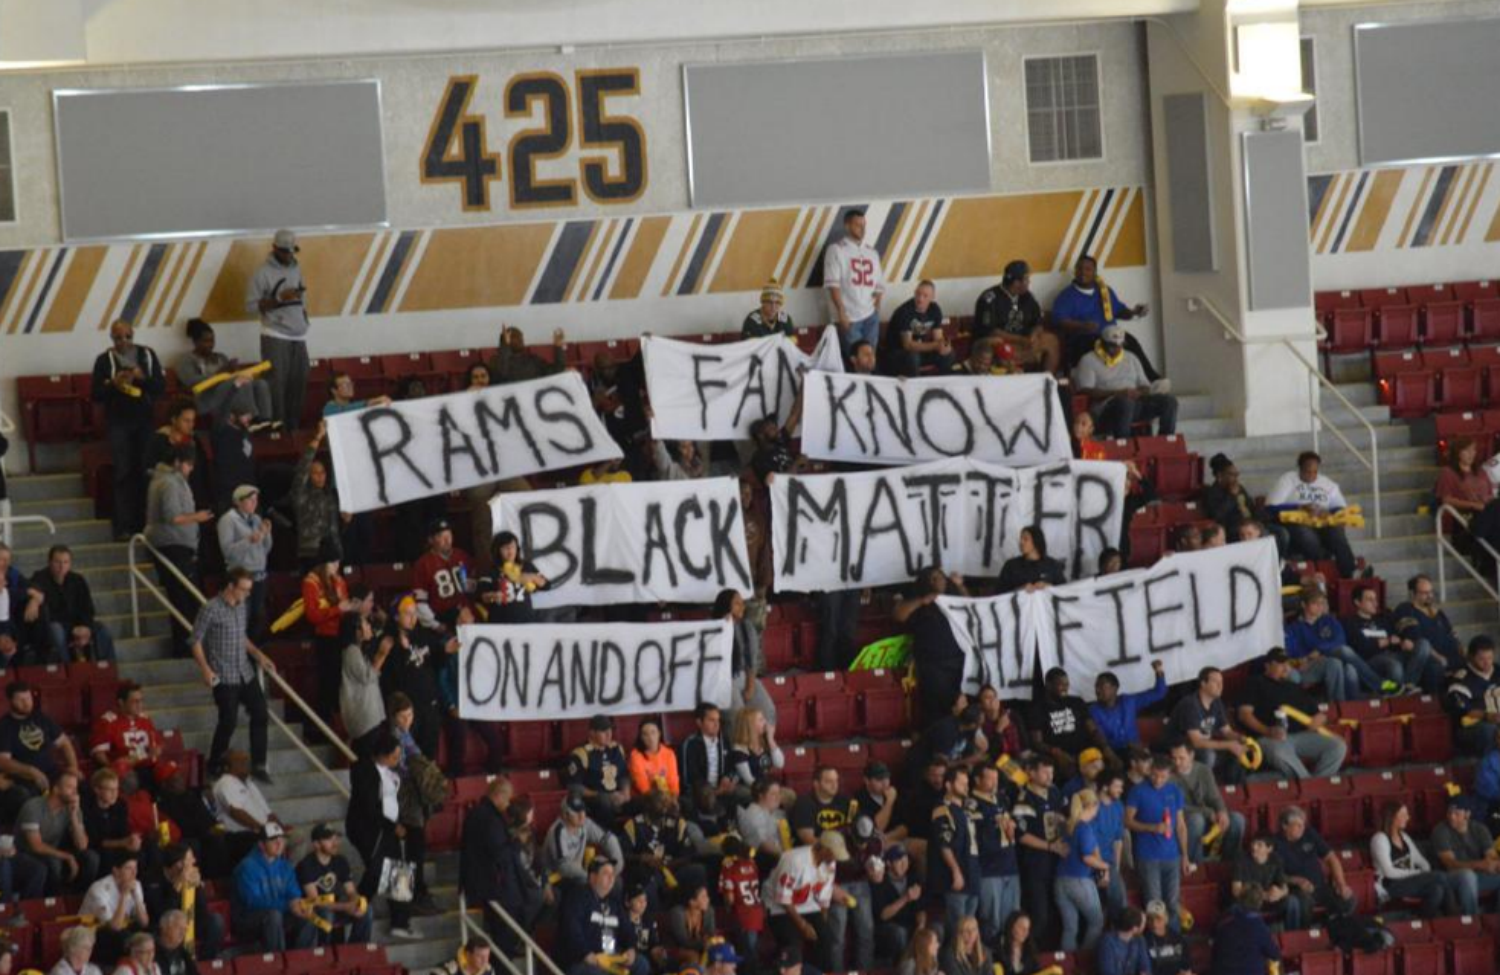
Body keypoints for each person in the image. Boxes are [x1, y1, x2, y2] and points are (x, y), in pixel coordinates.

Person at [190, 569, 272, 779]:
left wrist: (258, 654)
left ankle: (259, 764)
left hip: (244, 670)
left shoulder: (242, 606)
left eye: (249, 590)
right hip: (224, 674)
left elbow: (240, 636)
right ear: (230, 586)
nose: (247, 594)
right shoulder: (210, 608)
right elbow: (195, 640)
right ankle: (215, 763)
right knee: (228, 720)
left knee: (260, 712)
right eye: (243, 589)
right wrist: (206, 669)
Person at [93, 320, 167, 540]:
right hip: (118, 422)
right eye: (118, 338)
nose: (123, 341)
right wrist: (113, 384)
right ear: (111, 338)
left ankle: (147, 523)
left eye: (127, 336)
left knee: (147, 470)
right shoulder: (104, 360)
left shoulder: (147, 355)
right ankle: (124, 526)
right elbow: (95, 394)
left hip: (145, 421)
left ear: (133, 335)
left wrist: (141, 379)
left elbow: (160, 388)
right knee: (123, 472)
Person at [1235, 649, 1348, 779]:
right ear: (1267, 665)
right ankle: (1310, 786)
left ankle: (1315, 784)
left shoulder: (1293, 686)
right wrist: (1267, 731)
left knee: (1338, 746)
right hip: (1271, 738)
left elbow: (1319, 714)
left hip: (1301, 735)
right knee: (1278, 751)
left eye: (1287, 664)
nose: (1285, 667)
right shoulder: (1255, 682)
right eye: (1280, 664)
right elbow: (1244, 715)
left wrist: (1320, 719)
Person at [145, 445, 211, 658]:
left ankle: (186, 646)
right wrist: (197, 517)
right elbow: (172, 516)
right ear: (177, 462)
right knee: (184, 599)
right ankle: (186, 647)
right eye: (188, 464)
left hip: (174, 544)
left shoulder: (165, 481)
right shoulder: (169, 483)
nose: (191, 469)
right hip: (173, 544)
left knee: (182, 598)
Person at [245, 230, 312, 426]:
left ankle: (293, 432)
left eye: (291, 251)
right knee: (276, 387)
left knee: (298, 384)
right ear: (274, 248)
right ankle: (278, 432)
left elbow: (302, 298)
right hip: (275, 335)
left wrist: (304, 317)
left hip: (299, 336)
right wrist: (280, 298)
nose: (288, 255)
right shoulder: (262, 273)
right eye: (284, 251)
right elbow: (250, 307)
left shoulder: (296, 269)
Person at [1286, 586, 1398, 699]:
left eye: (1322, 603)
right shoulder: (1293, 628)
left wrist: (1320, 650)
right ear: (1304, 605)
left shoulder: (1330, 620)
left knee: (1342, 659)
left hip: (1331, 657)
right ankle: (1379, 685)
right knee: (1339, 659)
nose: (1320, 607)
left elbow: (1340, 640)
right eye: (1315, 603)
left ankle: (1345, 703)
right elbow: (1292, 651)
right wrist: (1308, 657)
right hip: (1311, 664)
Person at [1052, 255, 1158, 375]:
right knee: (1099, 345)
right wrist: (1082, 325)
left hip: (1111, 334)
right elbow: (1058, 320)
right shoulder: (1066, 295)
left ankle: (1153, 378)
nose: (1083, 272)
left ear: (1095, 273)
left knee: (1131, 341)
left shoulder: (1105, 291)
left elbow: (1119, 311)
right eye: (1079, 268)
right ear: (1075, 271)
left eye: (1088, 269)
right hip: (1085, 337)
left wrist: (1134, 312)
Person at [1072, 324, 1177, 439]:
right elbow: (1086, 390)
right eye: (1112, 345)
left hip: (1135, 403)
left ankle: (1166, 440)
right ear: (1102, 343)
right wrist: (1118, 393)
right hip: (1107, 407)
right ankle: (1123, 443)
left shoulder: (1131, 358)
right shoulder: (1088, 360)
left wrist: (1142, 391)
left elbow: (1144, 384)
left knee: (1169, 401)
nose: (1117, 349)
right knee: (1125, 403)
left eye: (1120, 345)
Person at [893, 567, 970, 723]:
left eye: (941, 576)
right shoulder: (919, 600)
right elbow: (898, 615)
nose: (939, 580)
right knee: (937, 709)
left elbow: (971, 607)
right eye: (933, 578)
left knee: (961, 706)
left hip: (957, 660)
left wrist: (960, 586)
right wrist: (923, 601)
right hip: (932, 665)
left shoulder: (953, 595)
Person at [1125, 756, 1192, 933]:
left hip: (1172, 855)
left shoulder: (1175, 791)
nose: (1158, 780)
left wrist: (1185, 855)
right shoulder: (1137, 791)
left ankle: (1173, 938)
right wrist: (1152, 827)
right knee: (1154, 904)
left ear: (1170, 775)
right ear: (1149, 771)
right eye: (1154, 775)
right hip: (1147, 856)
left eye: (1163, 776)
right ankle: (1156, 940)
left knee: (1173, 902)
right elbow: (1127, 821)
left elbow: (1181, 825)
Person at [764, 832, 847, 973]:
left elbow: (824, 897)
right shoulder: (793, 860)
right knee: (793, 943)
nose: (835, 859)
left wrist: (822, 923)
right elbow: (784, 899)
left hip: (808, 904)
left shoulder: (830, 863)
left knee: (826, 939)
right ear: (823, 849)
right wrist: (803, 925)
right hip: (779, 907)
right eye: (833, 854)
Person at [1266, 451, 1358, 578]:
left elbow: (1340, 507)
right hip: (1297, 521)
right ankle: (1326, 565)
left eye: (1314, 472)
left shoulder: (1328, 484)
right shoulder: (1288, 479)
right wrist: (1299, 507)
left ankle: (1350, 573)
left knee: (1337, 532)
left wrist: (1328, 512)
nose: (1311, 475)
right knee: (1306, 535)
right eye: (1307, 472)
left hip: (1322, 520)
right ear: (1300, 468)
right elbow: (1271, 507)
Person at [231, 822, 316, 951]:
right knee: (273, 915)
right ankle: (277, 960)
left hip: (278, 916)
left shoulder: (285, 866)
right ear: (261, 845)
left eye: (282, 839)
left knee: (307, 913)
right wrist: (288, 905)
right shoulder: (247, 867)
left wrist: (297, 903)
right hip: (248, 920)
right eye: (273, 840)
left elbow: (294, 894)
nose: (279, 843)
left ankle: (303, 959)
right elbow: (253, 901)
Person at [1343, 583, 1443, 693]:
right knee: (1394, 665)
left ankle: (1407, 685)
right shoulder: (1350, 623)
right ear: (1357, 602)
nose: (1375, 603)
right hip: (1372, 661)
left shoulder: (1383, 619)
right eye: (1370, 600)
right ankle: (1400, 692)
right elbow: (1361, 648)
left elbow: (1396, 639)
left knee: (1423, 644)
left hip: (1394, 654)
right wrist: (1387, 641)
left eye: (1375, 599)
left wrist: (1403, 642)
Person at [559, 856, 648, 975]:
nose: (611, 878)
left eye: (613, 874)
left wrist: (631, 948)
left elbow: (627, 930)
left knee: (641, 964)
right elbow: (572, 930)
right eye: (606, 874)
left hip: (611, 958)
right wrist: (585, 954)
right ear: (593, 877)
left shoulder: (614, 903)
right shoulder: (577, 898)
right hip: (583, 961)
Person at [177, 318, 272, 426]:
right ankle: (252, 418)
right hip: (206, 398)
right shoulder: (187, 360)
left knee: (260, 384)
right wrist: (219, 373)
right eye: (206, 341)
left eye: (212, 340)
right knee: (240, 381)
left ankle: (265, 421)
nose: (210, 345)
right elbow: (191, 382)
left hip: (229, 394)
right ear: (195, 342)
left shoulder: (221, 357)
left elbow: (230, 377)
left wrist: (234, 370)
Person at [1012, 754, 1065, 944]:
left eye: (1052, 772)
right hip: (1035, 864)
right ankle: (1031, 951)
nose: (1050, 777)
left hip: (1056, 863)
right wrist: (1050, 846)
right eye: (1045, 772)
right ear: (1031, 773)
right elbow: (1021, 835)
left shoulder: (1055, 792)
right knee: (1040, 915)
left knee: (1057, 914)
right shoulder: (1024, 798)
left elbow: (1064, 819)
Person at [1272, 805, 1357, 921]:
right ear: (1284, 826)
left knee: (1348, 899)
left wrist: (1341, 884)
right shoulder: (1275, 844)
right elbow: (1274, 875)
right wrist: (1296, 880)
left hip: (1320, 886)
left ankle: (1333, 926)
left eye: (1303, 824)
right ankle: (1307, 931)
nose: (1302, 828)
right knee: (1304, 901)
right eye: (1298, 825)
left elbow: (1331, 858)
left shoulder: (1309, 833)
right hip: (1296, 891)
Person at [1028, 667, 1115, 779]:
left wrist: (1106, 748)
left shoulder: (1076, 702)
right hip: (1058, 755)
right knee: (1068, 768)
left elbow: (1093, 730)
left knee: (1103, 766)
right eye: (1061, 685)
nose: (1065, 688)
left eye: (1067, 684)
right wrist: (1057, 753)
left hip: (1085, 752)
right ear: (1048, 685)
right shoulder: (1038, 709)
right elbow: (1037, 742)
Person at [1370, 801, 1453, 917]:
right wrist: (1418, 873)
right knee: (1440, 876)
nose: (1408, 818)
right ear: (1392, 817)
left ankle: (1423, 920)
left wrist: (1425, 874)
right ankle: (1455, 915)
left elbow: (1422, 862)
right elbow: (1389, 872)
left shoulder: (1404, 836)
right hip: (1390, 886)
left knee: (1437, 889)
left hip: (1410, 882)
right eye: (1403, 815)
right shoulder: (1379, 839)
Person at [973, 260, 1058, 373]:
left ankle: (1047, 379)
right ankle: (1012, 373)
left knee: (1051, 340)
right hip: (1000, 342)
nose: (1029, 282)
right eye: (1026, 279)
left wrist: (1034, 334)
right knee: (998, 343)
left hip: (1024, 341)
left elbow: (1038, 322)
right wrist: (1021, 340)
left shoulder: (1028, 296)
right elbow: (991, 332)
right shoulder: (989, 298)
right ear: (1016, 283)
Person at [18, 771, 96, 893]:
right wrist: (67, 856)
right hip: (27, 854)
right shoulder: (33, 807)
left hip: (52, 852)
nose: (75, 792)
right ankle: (53, 900)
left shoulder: (73, 808)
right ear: (56, 789)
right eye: (70, 787)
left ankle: (79, 898)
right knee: (53, 862)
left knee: (91, 858)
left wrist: (74, 817)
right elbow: (36, 846)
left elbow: (82, 845)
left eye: (75, 788)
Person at [1167, 739, 1244, 863]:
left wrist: (1221, 811)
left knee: (1237, 819)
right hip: (1184, 820)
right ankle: (1196, 864)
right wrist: (1208, 813)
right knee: (1197, 820)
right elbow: (1178, 807)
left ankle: (1228, 863)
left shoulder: (1204, 770)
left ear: (1191, 755)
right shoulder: (1168, 776)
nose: (1177, 763)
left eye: (1181, 758)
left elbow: (1215, 797)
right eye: (1173, 758)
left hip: (1208, 815)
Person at [295, 824, 372, 945]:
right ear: (316, 844)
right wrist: (346, 906)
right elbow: (316, 901)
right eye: (329, 839)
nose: (335, 843)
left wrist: (356, 902)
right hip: (312, 911)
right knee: (326, 914)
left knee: (366, 909)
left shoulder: (340, 861)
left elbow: (351, 891)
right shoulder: (306, 865)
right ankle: (323, 951)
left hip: (335, 906)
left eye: (336, 838)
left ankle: (357, 949)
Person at [0, 680, 80, 796]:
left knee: (82, 787)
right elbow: (3, 762)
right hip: (24, 778)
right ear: (10, 701)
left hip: (51, 771)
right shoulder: (4, 726)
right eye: (21, 700)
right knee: (26, 794)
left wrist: (73, 768)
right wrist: (31, 771)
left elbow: (64, 743)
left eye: (28, 698)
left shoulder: (40, 717)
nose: (26, 703)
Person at [1168, 667, 1248, 781]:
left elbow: (1227, 732)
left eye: (1221, 682)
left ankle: (1230, 788)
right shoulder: (1190, 704)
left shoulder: (1217, 702)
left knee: (1239, 751)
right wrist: (1229, 745)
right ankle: (1203, 786)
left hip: (1201, 746)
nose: (1220, 686)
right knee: (1208, 755)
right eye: (1215, 682)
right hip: (1180, 748)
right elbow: (1196, 742)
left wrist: (1241, 738)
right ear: (1203, 684)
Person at [823, 208, 885, 355]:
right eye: (857, 225)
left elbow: (879, 285)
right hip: (849, 317)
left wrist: (876, 309)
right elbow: (833, 285)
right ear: (847, 226)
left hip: (870, 315)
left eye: (863, 225)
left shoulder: (872, 252)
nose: (862, 229)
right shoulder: (836, 249)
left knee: (870, 358)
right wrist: (841, 313)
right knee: (854, 357)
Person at [1201, 454, 1289, 555]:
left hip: (1252, 523)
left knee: (1282, 533)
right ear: (1219, 476)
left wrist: (1260, 516)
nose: (1236, 478)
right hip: (1235, 528)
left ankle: (1278, 561)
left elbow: (1250, 507)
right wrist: (1231, 496)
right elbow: (1218, 516)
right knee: (1266, 535)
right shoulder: (1212, 493)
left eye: (1237, 474)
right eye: (1232, 475)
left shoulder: (1239, 488)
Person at [928, 765, 980, 936]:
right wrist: (956, 871)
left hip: (972, 877)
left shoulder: (967, 810)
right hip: (955, 881)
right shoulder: (943, 809)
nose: (966, 787)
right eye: (961, 783)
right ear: (948, 785)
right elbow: (944, 844)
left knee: (970, 931)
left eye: (967, 783)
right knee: (958, 932)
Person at [1054, 789, 1107, 952]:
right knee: (1096, 922)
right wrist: (1105, 866)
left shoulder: (1068, 825)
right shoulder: (1084, 828)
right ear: (1092, 806)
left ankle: (1068, 963)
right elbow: (1087, 857)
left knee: (1070, 927)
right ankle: (1084, 959)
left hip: (1060, 880)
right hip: (1079, 880)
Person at [216, 488, 272, 642]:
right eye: (250, 499)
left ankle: (253, 651)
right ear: (238, 502)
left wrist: (266, 534)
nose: (254, 503)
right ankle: (239, 650)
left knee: (258, 617)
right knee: (242, 617)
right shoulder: (227, 520)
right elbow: (227, 551)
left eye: (256, 499)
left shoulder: (257, 519)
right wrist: (248, 540)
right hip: (240, 576)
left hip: (259, 575)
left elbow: (265, 550)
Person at [1429, 796, 1500, 916]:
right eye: (1449, 812)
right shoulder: (1440, 831)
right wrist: (1481, 864)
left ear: (1467, 814)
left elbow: (1491, 856)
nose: (1451, 817)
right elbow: (1450, 864)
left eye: (1456, 813)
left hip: (1478, 876)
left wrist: (1495, 864)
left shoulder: (1480, 829)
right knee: (1467, 875)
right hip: (1450, 878)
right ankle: (1472, 920)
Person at [542, 790, 625, 887]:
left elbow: (608, 839)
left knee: (616, 881)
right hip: (556, 878)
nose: (582, 815)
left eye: (583, 810)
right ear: (565, 814)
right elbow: (564, 867)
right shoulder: (557, 831)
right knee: (588, 883)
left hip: (578, 873)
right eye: (576, 812)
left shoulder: (585, 823)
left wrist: (616, 866)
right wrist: (591, 877)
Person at [81, 852, 149, 964]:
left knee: (146, 935)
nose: (134, 873)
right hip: (92, 933)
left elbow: (144, 922)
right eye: (129, 868)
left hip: (118, 931)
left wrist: (136, 897)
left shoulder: (136, 885)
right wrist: (124, 895)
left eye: (135, 868)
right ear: (116, 871)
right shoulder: (98, 889)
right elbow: (114, 927)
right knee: (123, 937)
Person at [292, 424, 342, 569]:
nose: (320, 476)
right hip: (311, 553)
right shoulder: (301, 493)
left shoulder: (330, 495)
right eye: (315, 473)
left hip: (332, 552)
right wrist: (318, 437)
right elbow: (303, 468)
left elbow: (334, 529)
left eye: (323, 472)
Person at [338, 612, 389, 755]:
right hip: (364, 717)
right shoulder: (352, 651)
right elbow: (366, 676)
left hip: (370, 715)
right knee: (366, 756)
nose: (369, 626)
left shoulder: (359, 650)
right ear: (357, 630)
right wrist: (382, 655)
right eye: (365, 623)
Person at [1435, 436, 1500, 547]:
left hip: (1488, 512)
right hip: (1468, 517)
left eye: (1473, 450)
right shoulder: (1448, 473)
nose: (1471, 454)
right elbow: (1446, 500)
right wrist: (1473, 505)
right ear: (1458, 452)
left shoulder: (1481, 471)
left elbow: (1490, 495)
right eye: (1467, 450)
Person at [1090, 661, 1168, 751]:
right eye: (1096, 687)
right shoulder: (1094, 711)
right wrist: (1128, 745)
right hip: (1113, 754)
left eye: (1101, 687)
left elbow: (1159, 693)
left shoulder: (1128, 702)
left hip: (1137, 751)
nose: (1097, 690)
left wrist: (1159, 671)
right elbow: (1101, 740)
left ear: (1114, 688)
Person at [880, 281, 951, 377]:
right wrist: (935, 346)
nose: (920, 299)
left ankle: (941, 383)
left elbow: (938, 338)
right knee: (913, 357)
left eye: (925, 296)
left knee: (948, 354)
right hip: (896, 353)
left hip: (919, 351)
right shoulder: (904, 311)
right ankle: (916, 385)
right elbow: (908, 345)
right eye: (918, 294)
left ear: (932, 297)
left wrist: (944, 345)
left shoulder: (935, 309)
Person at [414, 518, 476, 630]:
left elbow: (473, 588)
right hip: (441, 614)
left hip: (465, 612)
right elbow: (420, 602)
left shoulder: (462, 556)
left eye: (449, 535)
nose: (447, 540)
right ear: (431, 540)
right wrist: (435, 624)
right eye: (441, 536)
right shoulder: (423, 564)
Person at [567, 714, 631, 821]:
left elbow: (624, 775)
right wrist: (600, 795)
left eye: (610, 730)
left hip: (618, 796)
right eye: (604, 731)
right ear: (592, 733)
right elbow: (574, 786)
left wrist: (626, 792)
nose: (609, 734)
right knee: (604, 801)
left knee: (643, 802)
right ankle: (611, 831)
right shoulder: (581, 754)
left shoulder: (616, 749)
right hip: (595, 798)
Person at [1395, 574, 1464, 673]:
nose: (1430, 596)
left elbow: (1451, 633)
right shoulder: (1406, 610)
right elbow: (1418, 643)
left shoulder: (1437, 612)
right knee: (1435, 668)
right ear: (1413, 594)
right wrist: (1440, 658)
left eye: (1431, 592)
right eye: (1425, 593)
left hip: (1451, 659)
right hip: (1430, 660)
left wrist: (1460, 649)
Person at [89, 683, 163, 773]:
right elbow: (99, 753)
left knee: (171, 774)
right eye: (135, 701)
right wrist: (113, 769)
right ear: (121, 702)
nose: (140, 705)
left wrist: (155, 751)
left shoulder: (145, 719)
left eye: (141, 701)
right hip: (125, 769)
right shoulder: (108, 722)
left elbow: (157, 745)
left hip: (147, 766)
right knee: (128, 776)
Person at [478, 531, 548, 624]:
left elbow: (546, 585)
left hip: (526, 621)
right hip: (499, 623)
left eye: (513, 546)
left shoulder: (526, 566)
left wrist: (532, 577)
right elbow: (480, 595)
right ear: (497, 550)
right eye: (505, 548)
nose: (510, 551)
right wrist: (493, 596)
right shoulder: (491, 570)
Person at [1446, 636, 1500, 755]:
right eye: (1481, 659)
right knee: (1489, 731)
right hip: (1473, 726)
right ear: (1470, 657)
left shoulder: (1497, 670)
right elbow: (1464, 710)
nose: (1487, 663)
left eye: (1490, 658)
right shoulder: (1461, 678)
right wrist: (1487, 716)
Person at [1209, 885, 1280, 975]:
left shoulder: (1223, 920)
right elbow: (1274, 954)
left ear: (1240, 899)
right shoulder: (1259, 927)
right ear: (1260, 903)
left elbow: (1213, 948)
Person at [1232, 833, 1298, 928]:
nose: (1254, 847)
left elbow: (1285, 888)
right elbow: (1236, 891)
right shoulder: (1241, 858)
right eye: (1253, 843)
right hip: (1250, 901)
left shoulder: (1276, 860)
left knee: (1292, 901)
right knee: (1237, 908)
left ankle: (1292, 935)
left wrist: (1279, 893)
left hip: (1269, 900)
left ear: (1269, 849)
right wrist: (1264, 895)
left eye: (1259, 845)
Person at [681, 704, 734, 818]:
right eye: (711, 720)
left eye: (718, 720)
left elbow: (731, 765)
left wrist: (727, 778)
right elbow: (690, 777)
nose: (716, 724)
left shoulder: (724, 741)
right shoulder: (691, 743)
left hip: (722, 788)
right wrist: (713, 791)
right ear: (699, 722)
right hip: (700, 792)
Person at [727, 708, 784, 796]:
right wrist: (769, 791)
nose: (765, 722)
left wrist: (771, 739)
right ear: (750, 725)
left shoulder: (765, 741)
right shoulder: (739, 749)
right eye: (761, 720)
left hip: (765, 786)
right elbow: (749, 780)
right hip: (748, 788)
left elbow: (779, 764)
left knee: (790, 795)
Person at [996, 526, 1067, 594]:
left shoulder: (1052, 565)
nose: (1021, 542)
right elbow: (999, 593)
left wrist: (1049, 587)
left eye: (1025, 539)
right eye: (1021, 539)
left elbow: (1064, 591)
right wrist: (1019, 589)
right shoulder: (1011, 565)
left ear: (1036, 541)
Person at [489, 324, 566, 385]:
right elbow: (501, 374)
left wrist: (558, 348)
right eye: (514, 337)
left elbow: (557, 370)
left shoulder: (534, 360)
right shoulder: (495, 361)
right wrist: (505, 347)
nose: (520, 340)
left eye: (521, 337)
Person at [663, 883, 717, 968]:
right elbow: (683, 941)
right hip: (674, 949)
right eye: (703, 897)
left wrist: (709, 941)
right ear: (692, 902)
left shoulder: (709, 911)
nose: (708, 899)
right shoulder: (677, 913)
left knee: (718, 953)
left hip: (700, 947)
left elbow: (711, 934)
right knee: (693, 956)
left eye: (707, 896)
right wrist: (703, 944)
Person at [1097, 906, 1151, 975]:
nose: (1145, 926)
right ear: (1134, 928)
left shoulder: (1139, 940)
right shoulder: (1107, 942)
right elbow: (1107, 971)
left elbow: (1145, 967)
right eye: (1143, 923)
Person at [1142, 899, 1188, 975]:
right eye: (1150, 919)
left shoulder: (1178, 939)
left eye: (1158, 918)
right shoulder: (1142, 941)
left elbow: (1186, 968)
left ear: (1166, 918)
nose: (1154, 923)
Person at [154, 911, 198, 975]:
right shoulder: (151, 952)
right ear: (165, 927)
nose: (182, 933)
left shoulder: (184, 953)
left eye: (184, 929)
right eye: (179, 928)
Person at [430, 942, 497, 975]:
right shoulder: (447, 970)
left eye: (487, 956)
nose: (485, 960)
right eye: (480, 956)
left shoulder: (489, 970)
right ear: (468, 955)